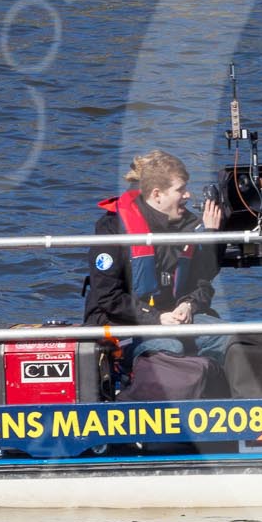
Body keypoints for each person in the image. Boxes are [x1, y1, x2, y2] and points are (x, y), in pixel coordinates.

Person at [83, 149, 229, 363]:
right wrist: (156, 318)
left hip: (174, 317)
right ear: (157, 194)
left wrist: (188, 304)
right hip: (123, 322)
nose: (188, 195)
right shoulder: (112, 227)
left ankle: (231, 391)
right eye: (181, 189)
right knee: (168, 346)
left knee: (227, 337)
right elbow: (108, 297)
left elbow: (203, 283)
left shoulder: (189, 226)